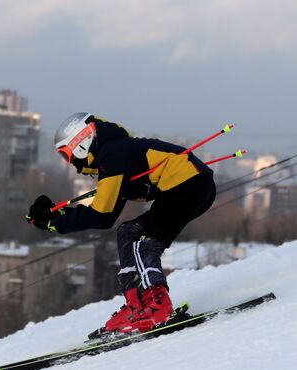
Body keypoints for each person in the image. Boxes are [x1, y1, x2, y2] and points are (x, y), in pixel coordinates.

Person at [27, 112, 216, 335]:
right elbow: (107, 215)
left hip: (189, 187)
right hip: (186, 188)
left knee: (144, 244)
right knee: (128, 232)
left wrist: (55, 222)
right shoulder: (113, 154)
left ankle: (158, 305)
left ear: (81, 143)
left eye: (66, 155)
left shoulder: (112, 154)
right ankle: (136, 305)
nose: (71, 162)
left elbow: (101, 214)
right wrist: (55, 218)